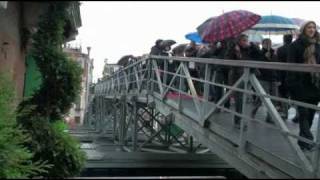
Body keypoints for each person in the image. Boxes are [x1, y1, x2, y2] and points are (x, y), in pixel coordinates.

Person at [287, 21, 320, 151]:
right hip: (300, 85)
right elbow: (290, 66)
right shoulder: (295, 46)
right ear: (303, 29)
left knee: (310, 114)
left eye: (314, 27)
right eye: (309, 27)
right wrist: (292, 85)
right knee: (303, 114)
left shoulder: (317, 46)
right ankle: (309, 140)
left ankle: (302, 142)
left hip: (315, 85)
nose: (312, 29)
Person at [224, 34, 261, 128]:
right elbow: (228, 62)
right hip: (237, 76)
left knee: (245, 97)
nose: (246, 42)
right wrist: (236, 53)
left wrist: (253, 46)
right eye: (244, 40)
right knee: (239, 99)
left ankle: (240, 119)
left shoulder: (249, 49)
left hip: (249, 76)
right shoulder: (232, 49)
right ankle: (238, 121)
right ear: (239, 41)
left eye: (247, 40)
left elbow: (259, 55)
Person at [252, 38, 280, 124]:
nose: (268, 44)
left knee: (274, 98)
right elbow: (257, 64)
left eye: (269, 43)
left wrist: (278, 78)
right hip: (263, 78)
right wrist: (265, 57)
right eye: (266, 43)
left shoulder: (274, 54)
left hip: (273, 78)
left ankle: (269, 117)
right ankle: (254, 110)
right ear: (262, 44)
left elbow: (277, 66)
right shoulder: (259, 53)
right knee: (262, 98)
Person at [276, 34, 294, 121]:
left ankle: (285, 112)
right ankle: (297, 114)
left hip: (283, 75)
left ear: (284, 39)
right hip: (294, 75)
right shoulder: (294, 48)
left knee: (283, 94)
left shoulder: (280, 49)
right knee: (294, 95)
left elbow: (278, 63)